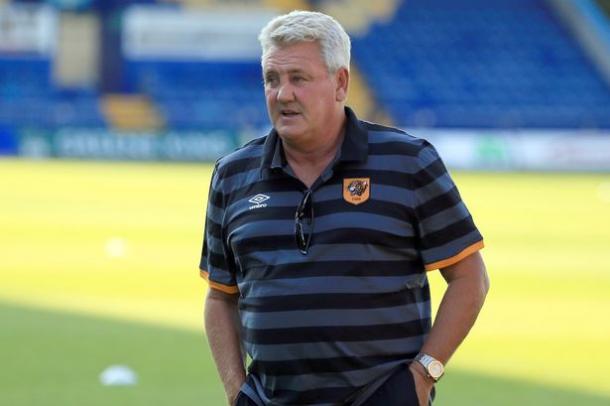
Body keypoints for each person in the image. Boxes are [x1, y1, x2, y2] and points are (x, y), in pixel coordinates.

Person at [200, 10, 489, 406]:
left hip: (380, 397)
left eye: (298, 78)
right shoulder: (232, 175)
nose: (283, 94)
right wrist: (237, 393)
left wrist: (424, 374)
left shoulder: (408, 162)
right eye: (272, 79)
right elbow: (220, 296)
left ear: (340, 83)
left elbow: (470, 277)